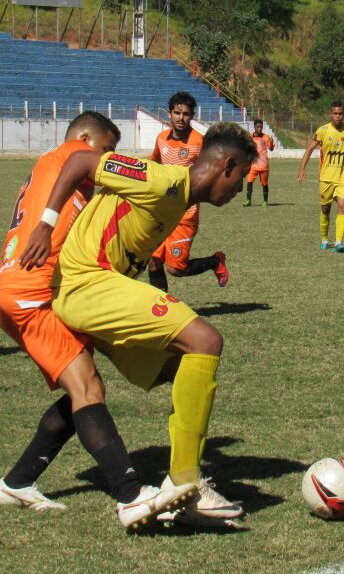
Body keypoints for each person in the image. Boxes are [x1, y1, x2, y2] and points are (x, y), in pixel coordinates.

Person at [19, 122, 258, 527]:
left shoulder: (180, 199)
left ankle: (18, 479)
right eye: (242, 180)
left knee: (183, 369)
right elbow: (80, 161)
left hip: (102, 290)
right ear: (228, 166)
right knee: (205, 339)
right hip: (85, 284)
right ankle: (187, 482)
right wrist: (45, 223)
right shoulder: (163, 181)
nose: (238, 191)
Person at [0, 111, 197, 529]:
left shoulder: (54, 168)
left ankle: (18, 481)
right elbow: (84, 164)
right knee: (87, 388)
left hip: (22, 288)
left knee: (82, 386)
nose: (109, 158)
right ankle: (130, 493)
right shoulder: (73, 155)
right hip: (32, 291)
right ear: (84, 138)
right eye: (107, 148)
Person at [147, 91, 229, 292]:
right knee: (153, 262)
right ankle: (161, 309)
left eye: (186, 114)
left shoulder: (200, 141)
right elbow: (154, 163)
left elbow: (215, 168)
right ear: (169, 114)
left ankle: (215, 262)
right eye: (177, 113)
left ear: (192, 116)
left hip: (186, 213)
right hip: (161, 211)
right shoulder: (161, 139)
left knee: (176, 269)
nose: (181, 118)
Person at [296, 102, 344, 252]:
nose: (338, 116)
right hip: (326, 178)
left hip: (343, 177)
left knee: (343, 207)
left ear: (343, 115)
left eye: (341, 114)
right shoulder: (323, 131)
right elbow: (309, 149)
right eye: (335, 114)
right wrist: (302, 170)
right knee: (325, 209)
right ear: (330, 114)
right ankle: (324, 239)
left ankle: (339, 243)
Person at [242, 118, 276, 206]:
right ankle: (248, 201)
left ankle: (265, 201)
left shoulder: (266, 137)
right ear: (254, 127)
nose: (259, 129)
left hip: (264, 165)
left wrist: (271, 143)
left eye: (261, 127)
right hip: (253, 165)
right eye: (258, 127)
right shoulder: (250, 137)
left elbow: (271, 149)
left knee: (264, 183)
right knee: (249, 182)